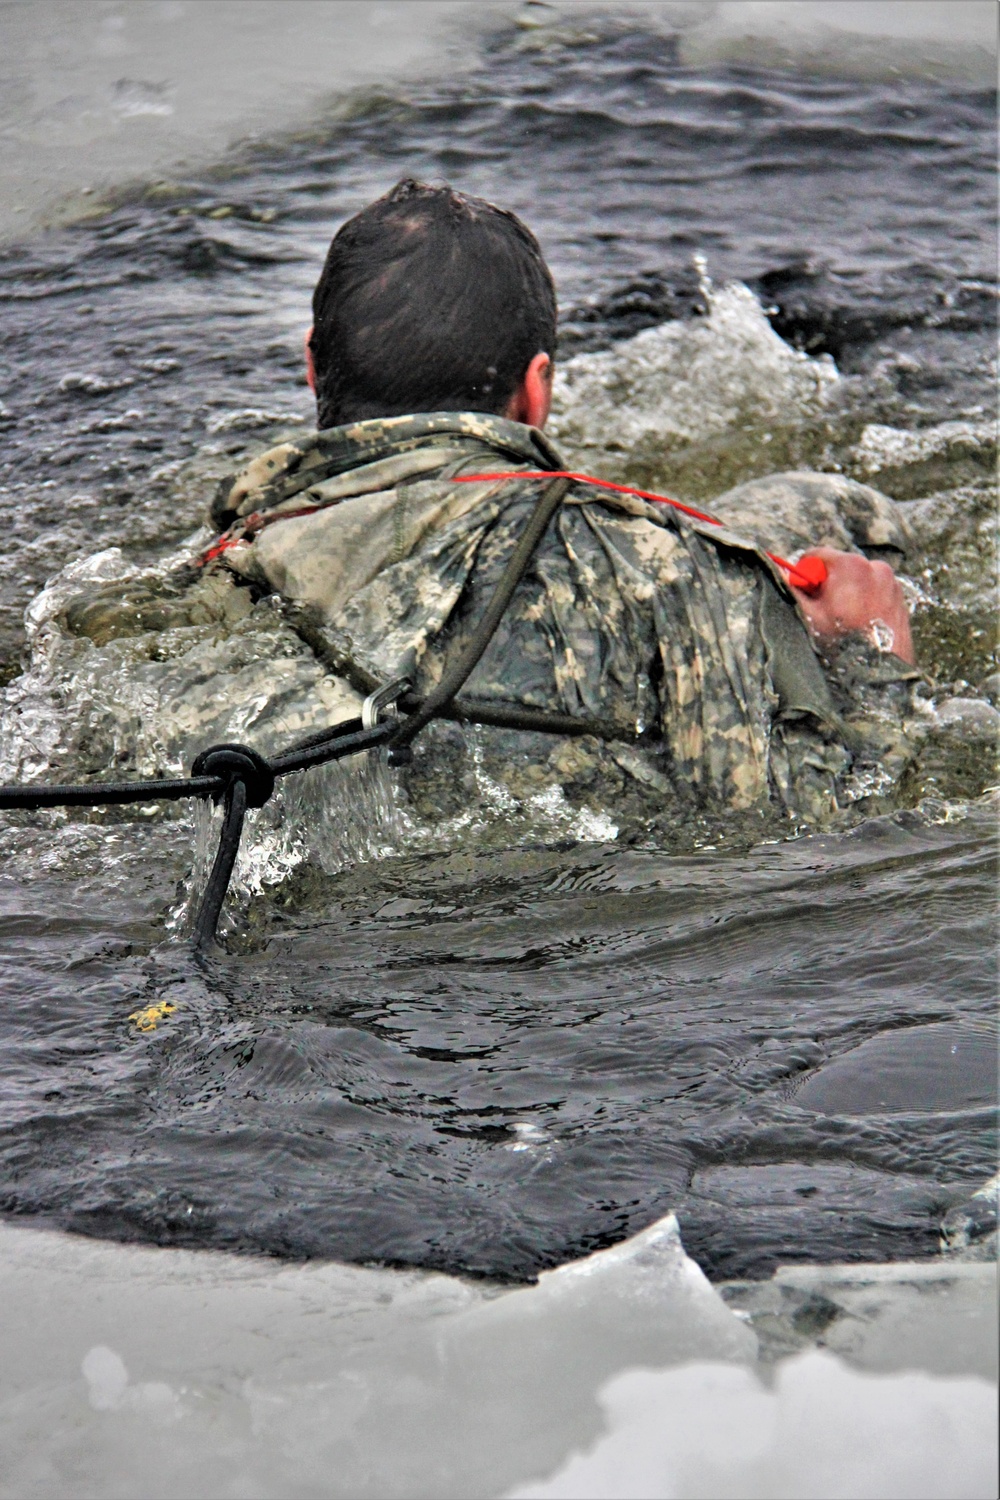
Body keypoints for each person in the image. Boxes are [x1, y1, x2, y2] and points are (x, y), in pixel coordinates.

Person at [34, 179, 921, 842]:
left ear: (313, 366)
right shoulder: (679, 569)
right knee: (833, 510)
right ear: (536, 392)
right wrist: (874, 652)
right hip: (571, 970)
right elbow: (822, 829)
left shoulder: (151, 603)